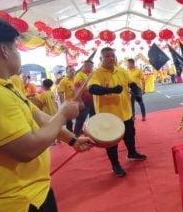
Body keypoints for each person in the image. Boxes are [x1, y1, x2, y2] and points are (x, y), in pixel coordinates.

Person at [0, 19, 93, 212]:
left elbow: (40, 118)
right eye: (16, 47)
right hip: (16, 209)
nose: (18, 54)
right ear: (5, 50)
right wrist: (63, 114)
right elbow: (27, 149)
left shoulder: (8, 87)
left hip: (34, 196)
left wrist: (72, 139)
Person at [88, 47, 146, 177]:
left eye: (112, 56)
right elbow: (92, 88)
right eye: (107, 56)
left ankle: (132, 153)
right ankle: (115, 164)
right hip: (108, 116)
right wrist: (112, 90)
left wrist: (137, 91)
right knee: (111, 142)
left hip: (125, 111)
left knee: (130, 134)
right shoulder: (96, 73)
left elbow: (132, 83)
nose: (110, 58)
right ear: (100, 59)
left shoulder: (121, 70)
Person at [73, 60, 95, 136]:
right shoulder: (79, 75)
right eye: (91, 66)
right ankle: (76, 135)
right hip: (84, 101)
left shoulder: (91, 74)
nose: (92, 67)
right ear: (86, 66)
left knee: (93, 118)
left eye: (92, 66)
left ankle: (91, 132)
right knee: (81, 119)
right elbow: (76, 89)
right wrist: (80, 101)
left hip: (93, 100)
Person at [58, 65, 75, 132]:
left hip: (78, 101)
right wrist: (63, 104)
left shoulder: (76, 79)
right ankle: (69, 130)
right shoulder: (63, 81)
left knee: (79, 117)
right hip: (69, 102)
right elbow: (61, 93)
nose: (72, 71)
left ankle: (78, 129)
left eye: (73, 70)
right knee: (69, 118)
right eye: (70, 70)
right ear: (67, 72)